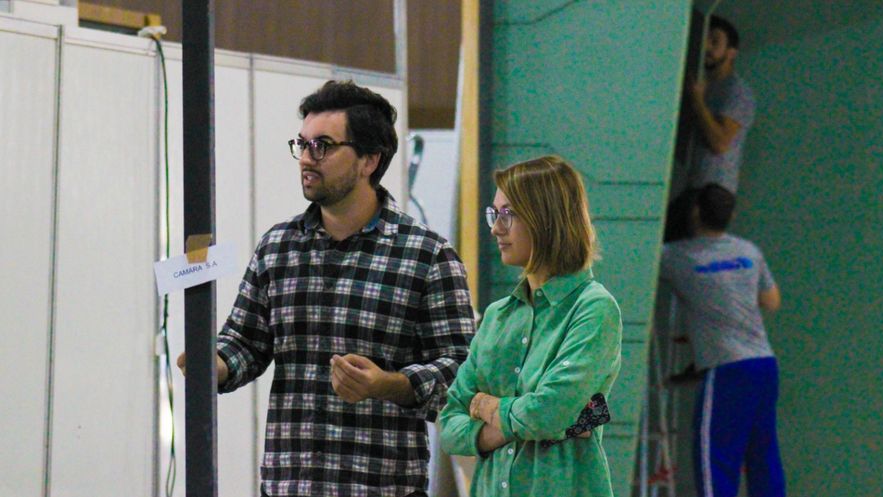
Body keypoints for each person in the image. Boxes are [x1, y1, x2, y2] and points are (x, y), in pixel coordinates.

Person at [177, 80, 475, 497]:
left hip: (380, 487)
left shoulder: (427, 255)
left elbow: (463, 371)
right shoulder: (277, 247)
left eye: (322, 146)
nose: (306, 158)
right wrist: (216, 364)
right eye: (302, 144)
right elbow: (246, 341)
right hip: (289, 484)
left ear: (369, 160)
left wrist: (390, 384)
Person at [439, 156, 623, 496]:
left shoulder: (594, 308)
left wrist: (489, 407)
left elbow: (547, 414)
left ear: (545, 218)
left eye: (508, 214)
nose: (496, 228)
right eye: (494, 214)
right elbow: (450, 426)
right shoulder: (497, 316)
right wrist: (557, 422)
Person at [659, 184, 785, 497]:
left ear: (695, 212)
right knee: (763, 453)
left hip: (727, 368)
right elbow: (771, 301)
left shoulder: (676, 257)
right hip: (764, 365)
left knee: (714, 457)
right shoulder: (749, 252)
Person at [672, 16, 756, 240]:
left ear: (731, 52)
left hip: (715, 193)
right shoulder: (707, 86)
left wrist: (698, 102)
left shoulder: (737, 92)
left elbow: (720, 143)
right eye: (706, 40)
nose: (707, 47)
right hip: (695, 187)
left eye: (715, 42)